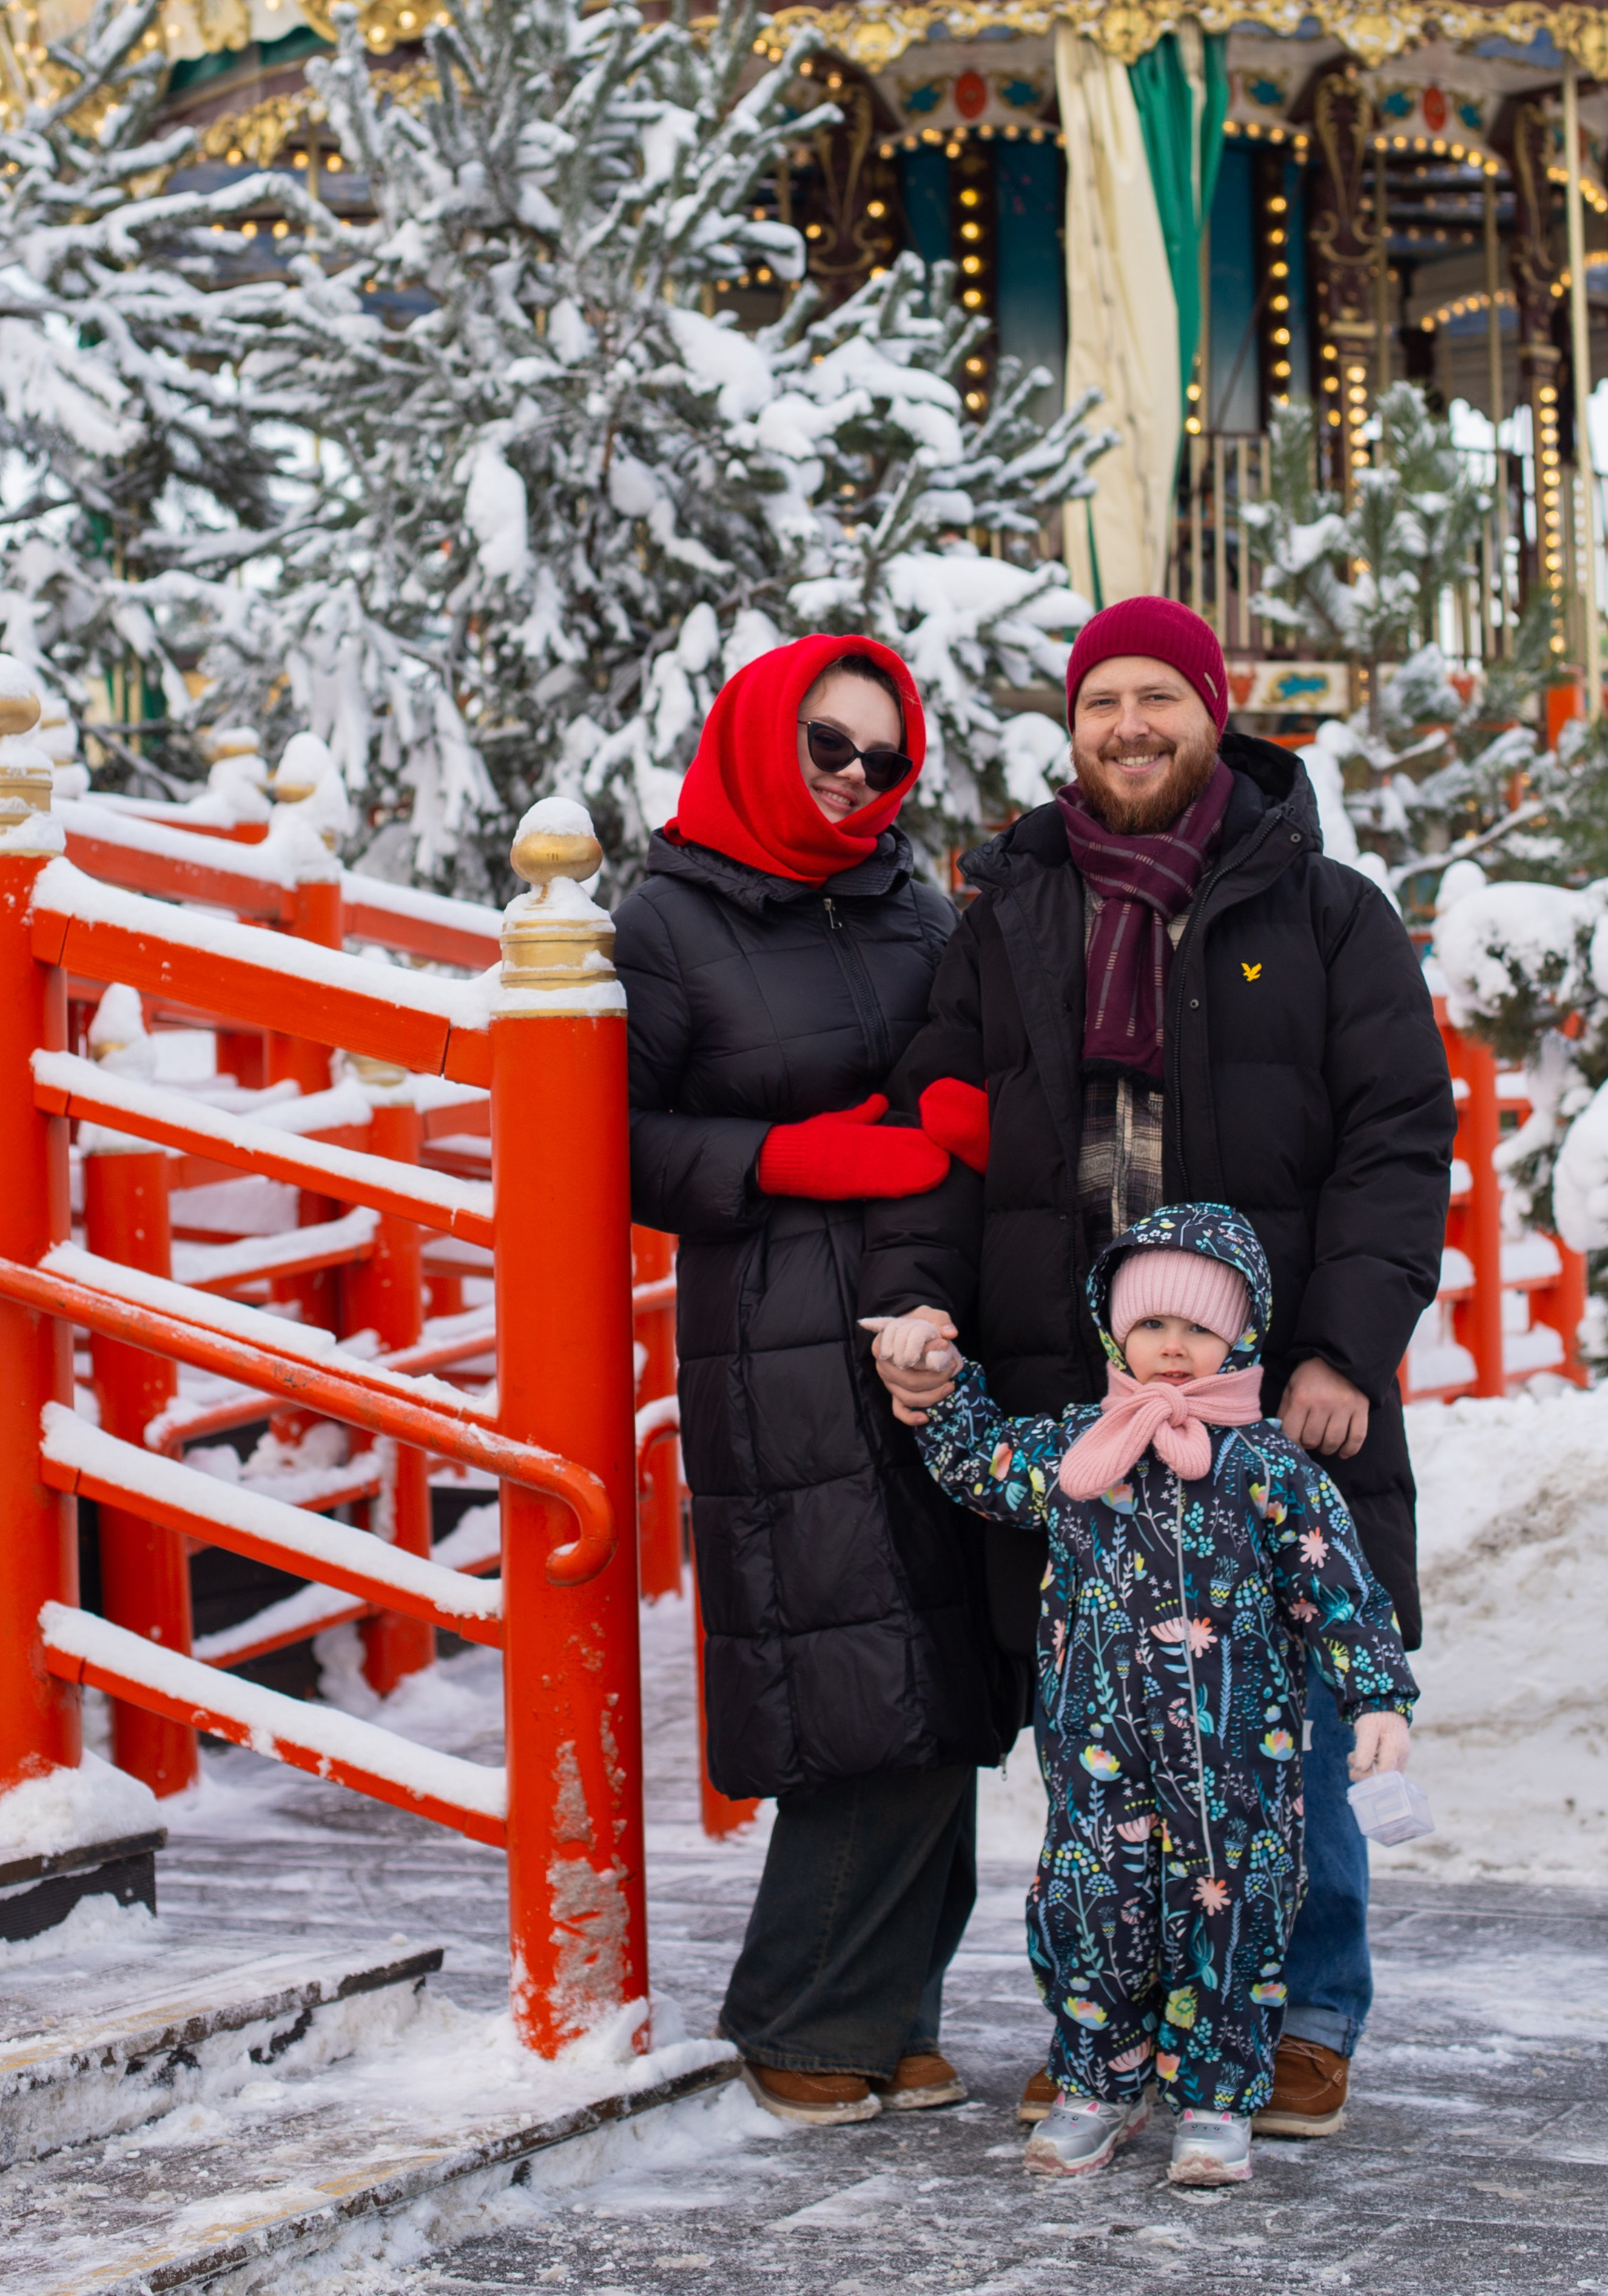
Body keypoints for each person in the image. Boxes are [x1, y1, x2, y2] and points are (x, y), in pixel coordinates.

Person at [859, 593, 1454, 2137]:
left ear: (1212, 709)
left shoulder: (1328, 917)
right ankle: (1111, 2025)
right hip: (1079, 1408)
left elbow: (1397, 1147)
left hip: (1271, 1403)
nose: (1126, 724)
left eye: (1155, 697)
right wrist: (917, 1303)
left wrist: (1342, 1345)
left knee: (1290, 1740)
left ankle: (1306, 2011)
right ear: (1074, 724)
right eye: (1099, 700)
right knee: (1103, 1762)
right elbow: (938, 1129)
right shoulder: (1005, 917)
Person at [614, 633, 1019, 2130]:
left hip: (929, 1311)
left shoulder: (910, 899)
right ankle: (796, 2009)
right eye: (825, 747)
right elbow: (616, 1142)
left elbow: (950, 1054)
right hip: (780, 1334)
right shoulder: (666, 919)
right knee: (860, 1674)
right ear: (754, 738)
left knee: (951, 1666)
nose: (853, 778)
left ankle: (892, 2010)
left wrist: (956, 1111)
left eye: (880, 756)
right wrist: (789, 1155)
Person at [867, 1201, 1416, 2189]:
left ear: (1240, 1333)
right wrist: (943, 1383)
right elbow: (982, 1462)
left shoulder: (1268, 1465)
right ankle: (1097, 2081)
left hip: (1239, 1760)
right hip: (1098, 1751)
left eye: (1198, 1327)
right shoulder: (1079, 1451)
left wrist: (1376, 1696)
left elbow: (1338, 1585)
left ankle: (1215, 2099)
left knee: (1233, 1916)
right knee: (1095, 1909)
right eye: (1152, 1324)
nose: (1173, 1346)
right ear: (1115, 1328)